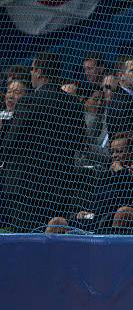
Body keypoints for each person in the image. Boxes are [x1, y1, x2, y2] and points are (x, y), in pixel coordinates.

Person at [1, 52, 85, 231]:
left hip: (26, 187)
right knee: (53, 238)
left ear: (38, 72)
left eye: (32, 69)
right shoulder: (73, 103)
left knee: (25, 241)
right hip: (60, 185)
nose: (30, 73)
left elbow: (12, 141)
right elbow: (79, 141)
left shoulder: (29, 101)